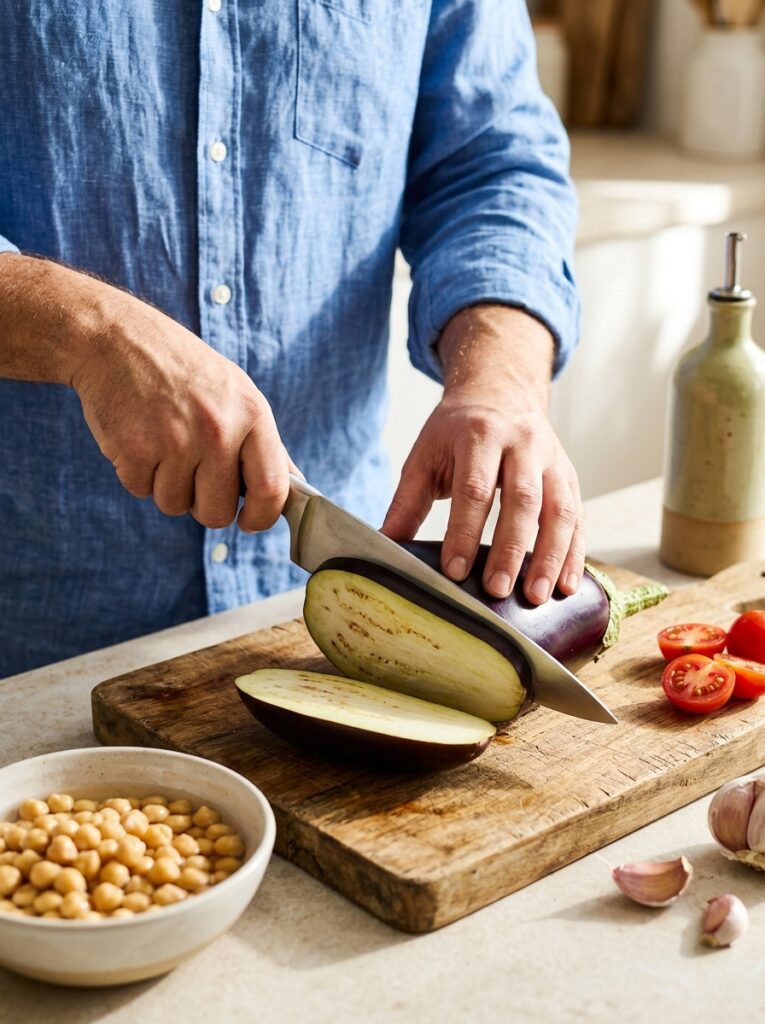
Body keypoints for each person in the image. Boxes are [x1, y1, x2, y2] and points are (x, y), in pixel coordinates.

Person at [0, 0, 583, 680]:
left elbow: (491, 169)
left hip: (338, 630)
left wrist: (500, 381)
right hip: (30, 640)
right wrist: (91, 334)